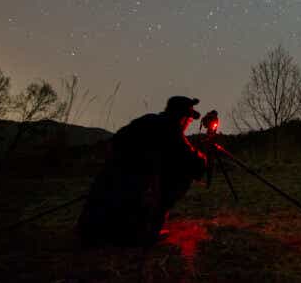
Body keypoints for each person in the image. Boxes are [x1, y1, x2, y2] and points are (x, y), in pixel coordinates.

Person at [78, 96, 209, 246]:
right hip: (130, 199)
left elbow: (115, 142)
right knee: (182, 174)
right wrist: (204, 155)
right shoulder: (171, 130)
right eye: (188, 119)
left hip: (94, 217)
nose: (188, 123)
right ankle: (144, 230)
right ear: (181, 118)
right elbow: (195, 164)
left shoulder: (147, 121)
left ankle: (119, 226)